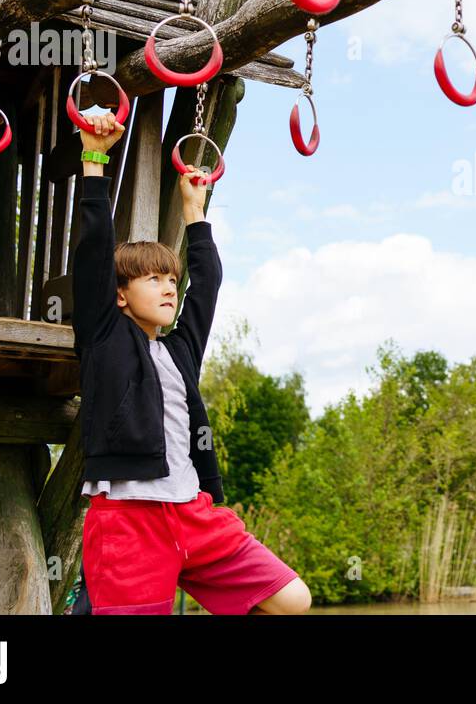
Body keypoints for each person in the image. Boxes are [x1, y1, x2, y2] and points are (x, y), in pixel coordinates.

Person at [72, 113, 310, 615]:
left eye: (169, 279)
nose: (167, 287)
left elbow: (207, 287)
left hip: (193, 514)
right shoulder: (104, 337)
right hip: (128, 520)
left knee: (293, 599)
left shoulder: (178, 352)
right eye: (151, 279)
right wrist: (94, 160)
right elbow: (93, 250)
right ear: (118, 296)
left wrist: (195, 211)